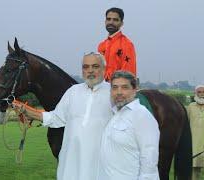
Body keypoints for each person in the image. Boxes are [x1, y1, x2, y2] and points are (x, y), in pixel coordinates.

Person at [13, 52, 113, 180]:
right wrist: (27, 111)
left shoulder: (113, 93)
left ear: (104, 68)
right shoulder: (73, 92)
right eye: (86, 67)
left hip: (100, 164)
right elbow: (56, 118)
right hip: (72, 162)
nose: (90, 71)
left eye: (95, 66)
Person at [97, 71, 160, 180]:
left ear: (134, 90)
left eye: (125, 87)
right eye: (115, 88)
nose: (119, 92)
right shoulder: (115, 114)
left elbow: (149, 156)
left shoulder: (141, 115)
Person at [97, 7, 137, 81]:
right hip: (100, 88)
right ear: (105, 21)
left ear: (121, 23)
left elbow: (129, 74)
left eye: (115, 20)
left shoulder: (127, 44)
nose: (111, 22)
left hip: (117, 89)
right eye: (108, 19)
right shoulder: (101, 45)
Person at [187, 85, 204, 180]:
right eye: (199, 92)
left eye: (203, 92)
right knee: (194, 173)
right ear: (195, 93)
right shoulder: (190, 107)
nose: (202, 94)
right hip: (194, 145)